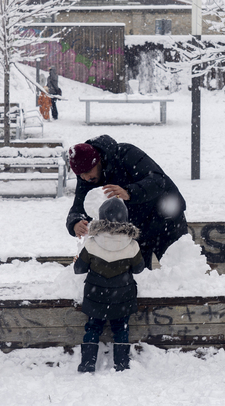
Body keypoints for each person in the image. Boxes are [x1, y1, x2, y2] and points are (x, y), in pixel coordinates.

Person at [66, 135, 187, 270]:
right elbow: (79, 206)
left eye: (88, 172)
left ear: (98, 160)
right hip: (135, 231)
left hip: (167, 220)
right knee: (137, 279)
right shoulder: (87, 178)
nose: (85, 178)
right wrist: (75, 222)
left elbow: (158, 180)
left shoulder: (126, 154)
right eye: (80, 175)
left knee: (179, 274)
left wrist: (129, 192)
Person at [73, 198, 145, 372]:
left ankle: (88, 363)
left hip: (95, 295)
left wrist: (80, 261)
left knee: (93, 327)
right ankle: (121, 364)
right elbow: (138, 269)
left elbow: (79, 269)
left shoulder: (91, 243)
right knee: (121, 329)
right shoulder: (132, 245)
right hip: (122, 296)